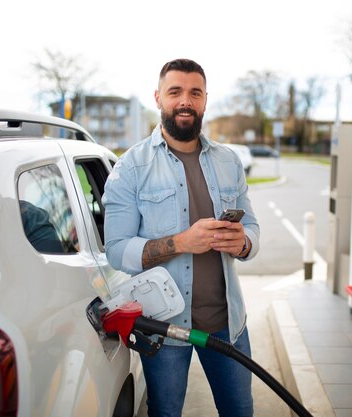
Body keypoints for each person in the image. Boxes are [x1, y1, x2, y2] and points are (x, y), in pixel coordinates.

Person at [102, 58, 259, 417]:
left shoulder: (228, 162)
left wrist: (244, 243)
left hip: (227, 323)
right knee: (166, 413)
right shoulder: (131, 167)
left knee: (240, 410)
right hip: (163, 327)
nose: (185, 100)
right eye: (175, 92)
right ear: (158, 98)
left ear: (205, 101)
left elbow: (253, 229)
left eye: (194, 93)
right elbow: (116, 250)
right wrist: (181, 242)